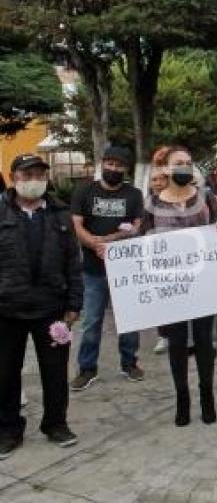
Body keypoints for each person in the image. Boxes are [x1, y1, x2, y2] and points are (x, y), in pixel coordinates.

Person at [0, 154, 83, 459]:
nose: (34, 180)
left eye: (39, 174)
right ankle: (8, 430)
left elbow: (73, 260)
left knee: (55, 372)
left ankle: (56, 424)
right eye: (27, 174)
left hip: (52, 309)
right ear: (14, 178)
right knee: (5, 374)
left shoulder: (60, 213)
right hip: (7, 309)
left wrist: (75, 302)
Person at [140, 146, 217, 427]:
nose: (185, 167)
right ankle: (182, 399)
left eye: (189, 163)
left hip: (204, 284)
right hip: (172, 287)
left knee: (204, 341)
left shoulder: (207, 198)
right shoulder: (152, 204)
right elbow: (141, 240)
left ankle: (207, 397)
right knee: (176, 343)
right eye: (179, 163)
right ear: (165, 168)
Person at [70, 147, 145, 391]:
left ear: (126, 169)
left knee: (129, 319)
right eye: (110, 163)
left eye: (119, 165)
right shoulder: (84, 191)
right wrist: (93, 243)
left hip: (125, 269)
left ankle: (129, 362)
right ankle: (87, 368)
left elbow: (135, 228)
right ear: (102, 164)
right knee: (91, 321)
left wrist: (108, 243)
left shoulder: (134, 194)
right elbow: (76, 225)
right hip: (93, 270)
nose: (113, 169)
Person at [149, 146, 172, 355]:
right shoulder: (148, 203)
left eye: (161, 179)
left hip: (178, 257)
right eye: (153, 180)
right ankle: (163, 336)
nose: (157, 183)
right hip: (157, 257)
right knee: (161, 298)